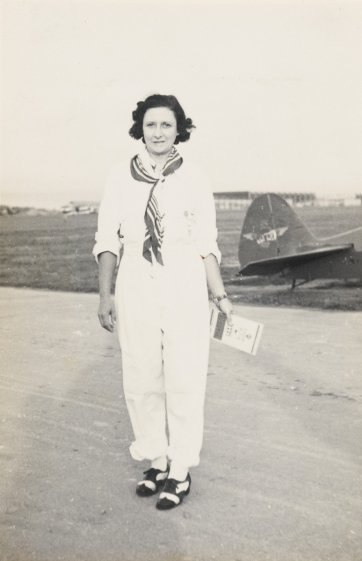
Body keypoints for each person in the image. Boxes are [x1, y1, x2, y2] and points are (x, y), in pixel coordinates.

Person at [93, 94, 233, 510]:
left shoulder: (194, 176)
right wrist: (106, 294)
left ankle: (180, 470)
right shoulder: (120, 176)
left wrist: (219, 294)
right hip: (136, 278)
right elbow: (107, 240)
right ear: (141, 128)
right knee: (141, 375)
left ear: (178, 130)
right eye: (151, 125)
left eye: (166, 126)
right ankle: (156, 459)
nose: (158, 133)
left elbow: (206, 243)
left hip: (184, 278)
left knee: (184, 376)